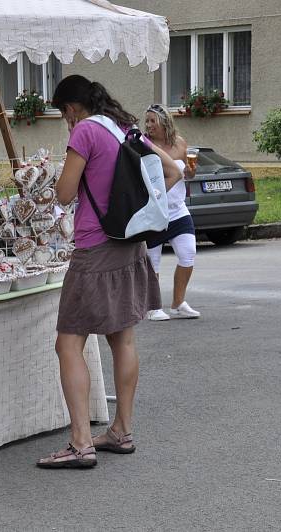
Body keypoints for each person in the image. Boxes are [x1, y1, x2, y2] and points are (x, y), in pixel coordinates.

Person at [36, 75, 182, 469]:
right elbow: (173, 171)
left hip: (94, 249)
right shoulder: (124, 128)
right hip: (129, 244)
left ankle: (81, 443)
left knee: (68, 343)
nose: (65, 120)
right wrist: (132, 208)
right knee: (123, 339)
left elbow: (65, 194)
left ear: (70, 108)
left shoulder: (84, 132)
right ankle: (121, 431)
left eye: (62, 113)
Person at [143, 104, 201, 320]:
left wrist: (191, 172)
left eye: (152, 121)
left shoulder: (179, 143)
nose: (148, 125)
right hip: (155, 212)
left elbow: (187, 175)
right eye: (146, 121)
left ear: (164, 122)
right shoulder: (144, 145)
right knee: (153, 262)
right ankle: (153, 307)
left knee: (188, 254)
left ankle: (178, 303)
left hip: (178, 210)